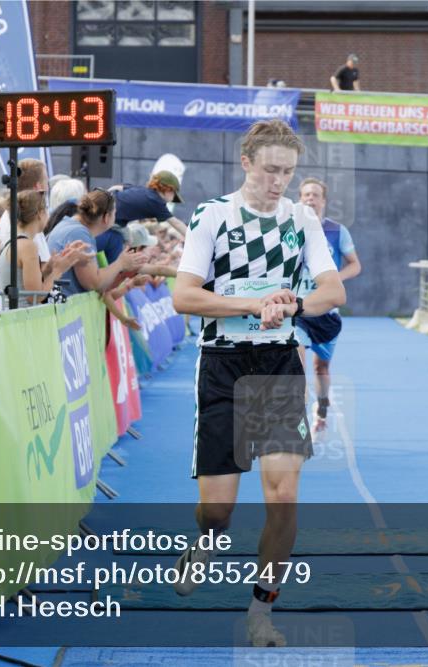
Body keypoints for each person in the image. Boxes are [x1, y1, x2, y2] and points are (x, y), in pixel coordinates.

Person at [172, 119, 345, 648]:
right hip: (223, 365)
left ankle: (260, 612)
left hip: (277, 366)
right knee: (219, 510)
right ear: (246, 163)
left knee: (284, 495)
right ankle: (204, 541)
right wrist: (253, 303)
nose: (279, 182)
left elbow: (332, 290)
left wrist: (294, 301)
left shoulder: (302, 219)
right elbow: (185, 297)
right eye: (271, 170)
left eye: (288, 172)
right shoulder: (212, 216)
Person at [296, 177, 361, 432]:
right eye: (305, 195)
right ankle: (297, 423)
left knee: (320, 367)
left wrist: (335, 281)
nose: (310, 198)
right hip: (299, 308)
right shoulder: (289, 228)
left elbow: (355, 264)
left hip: (326, 312)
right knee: (296, 361)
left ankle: (321, 407)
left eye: (314, 195)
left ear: (323, 201)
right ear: (300, 200)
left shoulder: (336, 231)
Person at [0, 190, 90, 307]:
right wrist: (57, 271)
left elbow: (25, 284)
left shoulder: (14, 242)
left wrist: (50, 267)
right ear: (40, 213)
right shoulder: (28, 246)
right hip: (22, 319)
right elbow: (35, 295)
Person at [46, 189, 147, 298]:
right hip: (61, 306)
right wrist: (120, 263)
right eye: (114, 214)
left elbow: (99, 285)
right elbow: (93, 283)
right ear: (106, 217)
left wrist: (123, 273)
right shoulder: (79, 233)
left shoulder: (72, 226)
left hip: (59, 303)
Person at [110, 170, 188, 238]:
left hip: (108, 204)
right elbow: (176, 223)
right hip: (113, 219)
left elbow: (117, 187)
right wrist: (191, 236)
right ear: (168, 189)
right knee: (128, 240)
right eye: (174, 195)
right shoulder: (158, 204)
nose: (173, 198)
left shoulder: (142, 189)